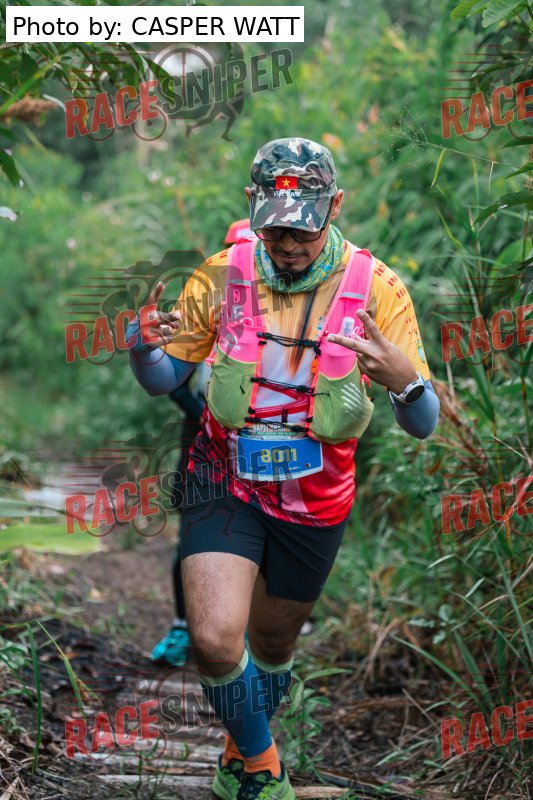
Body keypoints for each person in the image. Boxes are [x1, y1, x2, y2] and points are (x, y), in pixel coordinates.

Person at [127, 137, 440, 800]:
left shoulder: (379, 289)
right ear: (252, 206)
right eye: (274, 229)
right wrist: (142, 349)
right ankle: (266, 767)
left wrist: (406, 382)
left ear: (336, 206)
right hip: (224, 475)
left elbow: (423, 421)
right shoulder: (219, 275)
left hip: (315, 497)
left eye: (304, 230)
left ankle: (238, 753)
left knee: (271, 645)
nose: (289, 245)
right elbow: (164, 379)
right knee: (216, 639)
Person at [151, 220, 252, 668]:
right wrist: (206, 414)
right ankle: (181, 627)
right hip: (200, 447)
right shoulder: (207, 308)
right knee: (192, 539)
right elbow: (172, 379)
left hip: (260, 457)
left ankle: (241, 635)